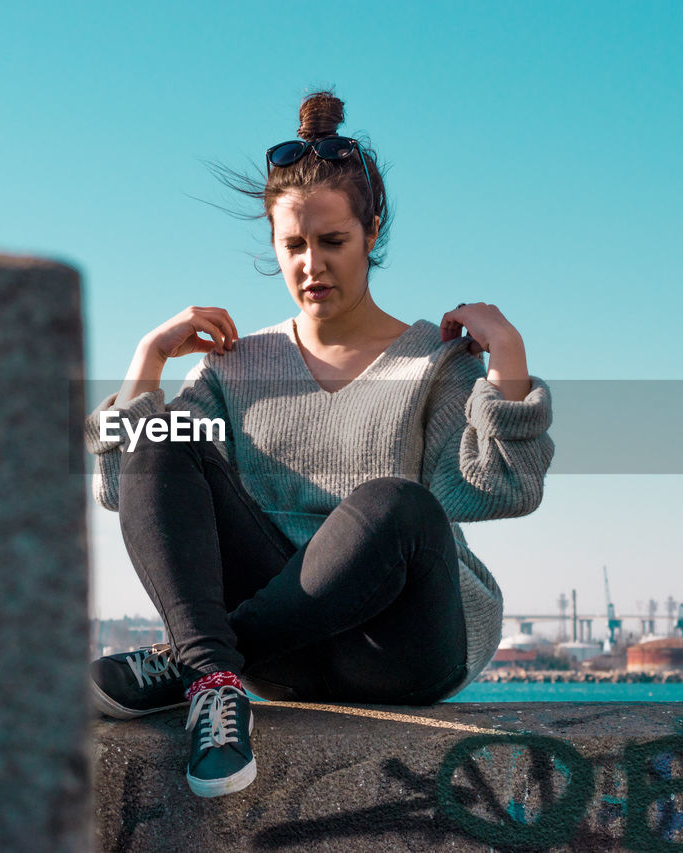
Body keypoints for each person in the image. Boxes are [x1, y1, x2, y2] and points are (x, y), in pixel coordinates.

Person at [83, 90, 554, 798]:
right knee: (161, 428)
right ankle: (212, 676)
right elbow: (131, 489)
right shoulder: (237, 364)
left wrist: (508, 360)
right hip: (282, 656)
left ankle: (191, 661)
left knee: (396, 504)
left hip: (400, 648)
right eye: (293, 245)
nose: (312, 265)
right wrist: (146, 362)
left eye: (332, 241)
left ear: (372, 230)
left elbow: (502, 489)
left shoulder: (432, 361)